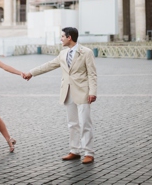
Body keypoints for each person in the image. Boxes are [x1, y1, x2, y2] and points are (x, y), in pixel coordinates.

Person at [23, 27, 98, 164]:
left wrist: (92, 92)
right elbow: (49, 65)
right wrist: (31, 73)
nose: (61, 39)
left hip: (83, 92)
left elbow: (92, 74)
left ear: (69, 37)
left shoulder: (86, 52)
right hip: (67, 92)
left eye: (62, 36)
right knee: (72, 124)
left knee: (85, 123)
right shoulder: (63, 53)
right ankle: (74, 151)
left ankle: (89, 153)